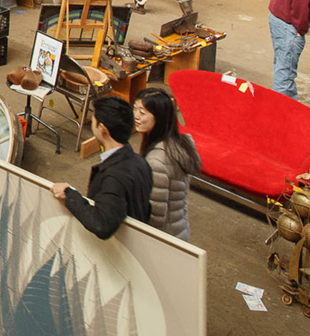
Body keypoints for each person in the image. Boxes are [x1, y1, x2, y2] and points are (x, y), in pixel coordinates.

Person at [51, 96, 153, 240]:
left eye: (93, 122)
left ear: (103, 129)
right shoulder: (141, 162)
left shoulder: (114, 177)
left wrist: (70, 195)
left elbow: (102, 224)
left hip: (117, 248)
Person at [133, 89, 202, 243]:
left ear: (159, 117)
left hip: (165, 239)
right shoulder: (181, 143)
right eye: (135, 109)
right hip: (180, 228)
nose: (136, 116)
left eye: (142, 112)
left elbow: (156, 216)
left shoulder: (156, 162)